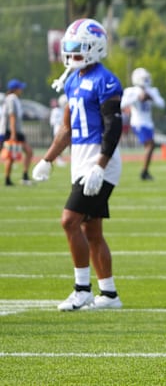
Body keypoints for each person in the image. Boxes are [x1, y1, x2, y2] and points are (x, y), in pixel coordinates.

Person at [31, 18, 124, 311]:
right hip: (80, 160)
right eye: (68, 48)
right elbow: (67, 128)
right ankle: (109, 295)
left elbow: (113, 128)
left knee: (69, 221)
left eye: (77, 48)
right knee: (91, 231)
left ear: (95, 47)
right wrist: (47, 158)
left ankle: (82, 289)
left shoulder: (105, 80)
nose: (71, 54)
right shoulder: (72, 79)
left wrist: (100, 165)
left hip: (99, 161)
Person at [120, 67, 165, 181]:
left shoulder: (152, 91)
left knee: (150, 147)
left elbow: (162, 104)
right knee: (151, 145)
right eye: (144, 78)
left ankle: (145, 171)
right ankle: (144, 172)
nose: (146, 80)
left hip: (148, 123)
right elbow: (122, 104)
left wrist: (151, 98)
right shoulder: (131, 91)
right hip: (138, 122)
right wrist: (137, 97)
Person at [3, 79, 33, 186]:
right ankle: (12, 178)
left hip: (15, 131)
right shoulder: (12, 99)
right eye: (20, 88)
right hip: (13, 131)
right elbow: (12, 116)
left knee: (23, 153)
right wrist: (13, 133)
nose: (21, 90)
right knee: (13, 155)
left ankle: (15, 177)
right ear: (15, 89)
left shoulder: (14, 98)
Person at [49, 94, 68, 167]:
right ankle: (58, 159)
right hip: (58, 129)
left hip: (64, 129)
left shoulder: (63, 110)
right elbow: (52, 121)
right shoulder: (55, 111)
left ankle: (60, 158)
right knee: (59, 145)